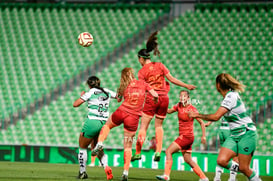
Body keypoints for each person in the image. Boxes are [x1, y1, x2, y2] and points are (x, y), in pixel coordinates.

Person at [131, 31, 196, 162]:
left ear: (141, 59)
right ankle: (158, 151)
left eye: (139, 59)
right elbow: (171, 79)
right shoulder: (160, 65)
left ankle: (138, 152)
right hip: (164, 98)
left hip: (152, 98)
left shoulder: (141, 72)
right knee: (159, 126)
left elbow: (144, 89)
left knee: (143, 127)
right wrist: (186, 85)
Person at [189, 73, 261, 181]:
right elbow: (218, 116)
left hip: (247, 133)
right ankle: (240, 170)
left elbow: (216, 116)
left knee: (244, 168)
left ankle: (253, 176)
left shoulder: (231, 96)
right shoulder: (229, 96)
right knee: (221, 161)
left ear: (218, 85)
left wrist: (196, 114)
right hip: (234, 134)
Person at [92, 67, 158, 181]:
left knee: (107, 125)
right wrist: (155, 101)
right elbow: (155, 95)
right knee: (127, 146)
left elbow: (118, 99)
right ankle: (125, 172)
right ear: (132, 74)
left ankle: (100, 143)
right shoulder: (143, 83)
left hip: (121, 112)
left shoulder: (123, 86)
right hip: (133, 118)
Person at [156, 90, 208, 181]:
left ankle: (166, 175)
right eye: (180, 96)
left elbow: (201, 123)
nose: (182, 97)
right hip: (186, 136)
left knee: (168, 151)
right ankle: (204, 178)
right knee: (188, 160)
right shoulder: (178, 106)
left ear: (188, 98)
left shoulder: (192, 109)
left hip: (187, 136)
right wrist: (160, 105)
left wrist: (203, 136)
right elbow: (168, 111)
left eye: (184, 96)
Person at [73, 76, 117, 180]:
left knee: (82, 147)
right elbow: (119, 97)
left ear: (89, 84)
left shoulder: (90, 92)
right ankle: (106, 167)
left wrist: (82, 96)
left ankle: (82, 172)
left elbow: (75, 104)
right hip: (104, 123)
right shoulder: (106, 91)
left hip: (92, 122)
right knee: (96, 147)